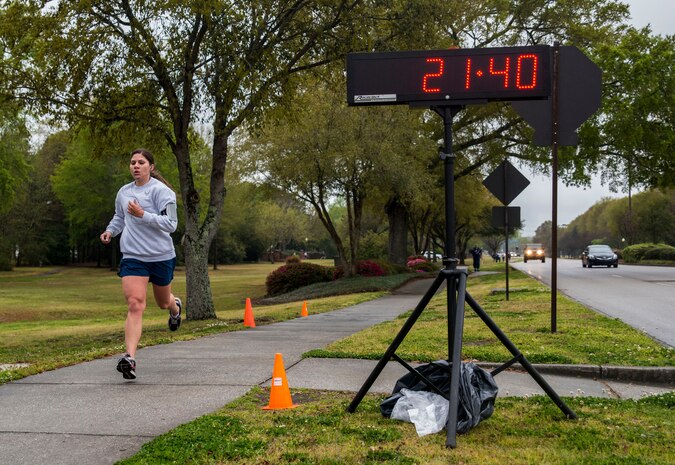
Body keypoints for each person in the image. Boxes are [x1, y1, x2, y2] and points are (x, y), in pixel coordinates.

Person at [100, 148, 182, 380]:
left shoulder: (163, 192)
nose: (136, 166)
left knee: (163, 302)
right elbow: (119, 217)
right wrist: (110, 231)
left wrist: (142, 214)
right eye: (133, 162)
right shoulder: (124, 192)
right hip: (133, 256)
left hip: (160, 256)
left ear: (151, 167)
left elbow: (171, 224)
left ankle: (175, 307)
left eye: (141, 162)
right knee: (135, 304)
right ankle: (130, 358)